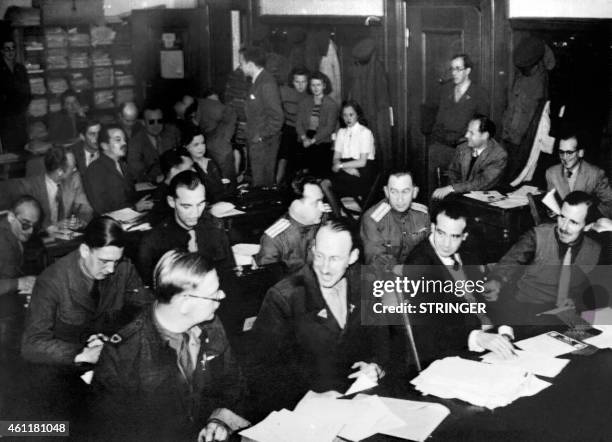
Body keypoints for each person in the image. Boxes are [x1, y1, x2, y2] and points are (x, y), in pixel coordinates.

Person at [91, 250, 249, 442]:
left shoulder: (212, 326)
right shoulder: (122, 353)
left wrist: (220, 420)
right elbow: (110, 431)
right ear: (184, 303)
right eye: (213, 293)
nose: (222, 296)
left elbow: (234, 385)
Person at [248, 219, 388, 415]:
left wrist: (376, 366)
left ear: (353, 257)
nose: (324, 268)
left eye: (335, 258)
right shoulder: (285, 297)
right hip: (305, 410)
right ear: (313, 249)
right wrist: (310, 397)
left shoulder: (367, 285)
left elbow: (384, 342)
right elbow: (263, 372)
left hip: (360, 402)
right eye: (320, 256)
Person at [21, 217, 152, 418]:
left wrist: (115, 339)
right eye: (104, 261)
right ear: (84, 251)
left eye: (116, 261)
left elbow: (145, 309)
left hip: (107, 355)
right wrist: (82, 353)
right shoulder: (52, 281)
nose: (111, 270)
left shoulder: (123, 268)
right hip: (65, 368)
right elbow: (32, 344)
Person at [403, 199, 515, 365]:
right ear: (433, 228)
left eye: (455, 236)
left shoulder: (470, 250)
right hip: (452, 351)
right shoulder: (418, 264)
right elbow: (430, 328)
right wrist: (478, 337)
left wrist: (504, 332)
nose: (446, 244)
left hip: (492, 340)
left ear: (464, 236)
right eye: (441, 233)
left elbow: (490, 298)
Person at [484, 191, 601, 322]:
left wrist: (576, 301)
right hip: (525, 310)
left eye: (573, 222)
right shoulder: (537, 236)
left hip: (565, 315)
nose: (564, 227)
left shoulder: (595, 250)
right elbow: (511, 261)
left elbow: (590, 291)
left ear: (587, 226)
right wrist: (496, 279)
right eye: (562, 217)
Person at [137, 170, 234, 286]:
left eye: (200, 204)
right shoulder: (154, 241)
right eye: (187, 206)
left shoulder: (214, 227)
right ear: (171, 202)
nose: (195, 213)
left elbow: (229, 273)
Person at [428, 54, 489, 195]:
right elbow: (438, 119)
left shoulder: (479, 94)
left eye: (458, 69)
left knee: (456, 193)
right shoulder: (446, 90)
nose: (454, 73)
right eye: (452, 69)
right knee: (435, 192)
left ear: (468, 71)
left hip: (463, 150)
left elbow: (481, 126)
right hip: (440, 148)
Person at [255, 175, 328, 272]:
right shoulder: (275, 239)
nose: (323, 208)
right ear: (296, 205)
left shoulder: (324, 220)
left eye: (322, 201)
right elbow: (271, 281)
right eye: (316, 203)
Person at [0, 196, 41, 358]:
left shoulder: (9, 227)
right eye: (26, 224)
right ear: (11, 217)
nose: (30, 231)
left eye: (34, 226)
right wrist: (19, 283)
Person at [360, 171, 429, 265]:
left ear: (415, 192)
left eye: (405, 191)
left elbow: (430, 251)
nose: (400, 199)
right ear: (386, 192)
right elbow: (375, 258)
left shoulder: (423, 215)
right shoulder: (372, 219)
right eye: (394, 192)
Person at [432, 115, 507, 200]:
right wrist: (452, 193)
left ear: (485, 135)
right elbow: (453, 172)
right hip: (460, 196)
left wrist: (452, 188)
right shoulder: (462, 148)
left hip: (484, 201)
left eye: (471, 133)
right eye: (467, 131)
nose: (466, 135)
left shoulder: (499, 155)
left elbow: (482, 182)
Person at [239, 46, 284, 187]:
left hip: (265, 143)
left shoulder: (266, 83)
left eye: (241, 63)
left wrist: (261, 135)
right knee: (259, 182)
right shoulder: (257, 81)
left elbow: (277, 118)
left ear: (251, 64)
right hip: (257, 141)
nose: (239, 66)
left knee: (263, 183)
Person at [322, 100, 377, 213]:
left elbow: (362, 162)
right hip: (346, 168)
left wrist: (341, 165)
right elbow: (335, 159)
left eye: (351, 114)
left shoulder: (365, 132)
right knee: (324, 183)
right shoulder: (341, 132)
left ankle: (339, 216)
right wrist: (345, 167)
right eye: (345, 115)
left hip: (362, 171)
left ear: (357, 115)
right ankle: (338, 216)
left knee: (329, 185)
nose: (348, 118)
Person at [83, 124, 153, 214]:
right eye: (118, 140)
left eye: (124, 139)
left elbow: (130, 196)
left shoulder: (123, 165)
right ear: (105, 145)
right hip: (110, 224)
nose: (124, 143)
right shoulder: (95, 170)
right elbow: (101, 208)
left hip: (131, 217)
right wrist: (135, 207)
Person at [20, 146, 93, 230]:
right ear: (60, 172)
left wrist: (80, 221)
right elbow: (29, 222)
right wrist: (54, 226)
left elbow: (85, 208)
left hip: (67, 234)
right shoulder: (33, 187)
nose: (75, 170)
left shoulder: (75, 179)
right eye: (72, 168)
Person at [546, 135, 612, 218]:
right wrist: (552, 211)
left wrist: (590, 217)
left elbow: (610, 202)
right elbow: (552, 201)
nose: (565, 157)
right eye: (561, 152)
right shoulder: (551, 173)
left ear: (580, 153)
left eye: (569, 152)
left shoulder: (595, 174)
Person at [295, 71, 339, 178]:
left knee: (318, 172)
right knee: (302, 172)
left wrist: (312, 141)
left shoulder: (331, 104)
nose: (315, 88)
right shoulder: (304, 102)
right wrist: (304, 138)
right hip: (305, 137)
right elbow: (298, 123)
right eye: (313, 85)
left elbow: (329, 128)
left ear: (324, 86)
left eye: (318, 85)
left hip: (322, 140)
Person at [194, 89, 237, 187]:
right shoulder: (200, 130)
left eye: (216, 103)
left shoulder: (224, 124)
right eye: (211, 104)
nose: (214, 107)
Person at [127, 105, 181, 182]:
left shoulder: (171, 134)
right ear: (143, 122)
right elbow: (136, 171)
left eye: (159, 121)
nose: (156, 125)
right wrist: (155, 178)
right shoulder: (135, 142)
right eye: (151, 122)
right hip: (150, 184)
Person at [277, 67, 309, 186]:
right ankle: (277, 184)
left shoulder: (310, 95)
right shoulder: (284, 91)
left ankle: (300, 185)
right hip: (289, 128)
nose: (300, 85)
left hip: (305, 131)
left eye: (303, 82)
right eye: (297, 82)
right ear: (292, 81)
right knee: (283, 155)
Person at [182, 124, 228, 204]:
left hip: (221, 203)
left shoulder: (211, 162)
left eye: (203, 143)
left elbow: (221, 186)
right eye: (196, 145)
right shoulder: (187, 167)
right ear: (186, 146)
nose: (201, 148)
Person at [0, 38, 31, 152]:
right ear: (2, 51)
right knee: (9, 145)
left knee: (23, 144)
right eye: (7, 49)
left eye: (13, 48)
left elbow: (27, 91)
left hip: (20, 114)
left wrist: (25, 107)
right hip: (5, 116)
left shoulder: (20, 68)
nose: (10, 52)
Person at [150, 147, 194, 225]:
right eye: (189, 168)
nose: (194, 171)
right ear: (174, 171)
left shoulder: (181, 188)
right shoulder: (162, 197)